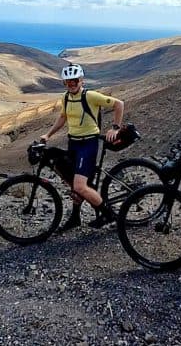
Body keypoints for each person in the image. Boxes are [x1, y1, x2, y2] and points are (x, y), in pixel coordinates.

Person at [40, 63, 125, 230]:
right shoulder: (66, 97)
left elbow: (119, 105)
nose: (71, 83)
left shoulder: (90, 96)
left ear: (81, 80)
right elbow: (63, 117)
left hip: (88, 143)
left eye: (74, 80)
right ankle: (75, 218)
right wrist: (48, 135)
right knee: (74, 182)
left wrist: (115, 128)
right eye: (67, 81)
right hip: (73, 142)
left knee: (79, 186)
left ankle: (108, 215)